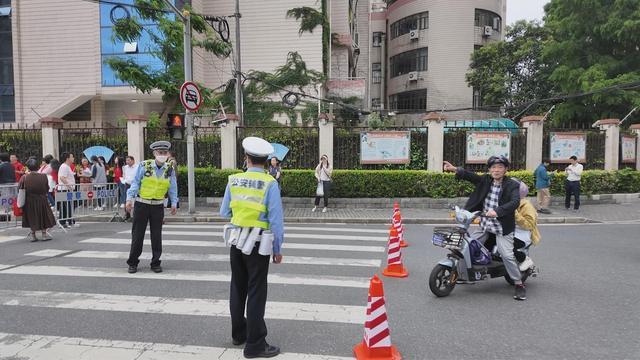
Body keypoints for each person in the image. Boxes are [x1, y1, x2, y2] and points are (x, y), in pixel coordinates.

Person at [220, 136, 284, 359]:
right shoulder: (270, 183)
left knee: (237, 288)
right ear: (267, 161)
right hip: (258, 245)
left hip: (237, 241)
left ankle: (239, 334)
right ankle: (255, 344)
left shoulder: (234, 180)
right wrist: (277, 249)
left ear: (246, 158)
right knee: (256, 291)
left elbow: (224, 212)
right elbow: (276, 221)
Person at [443, 156, 525, 301]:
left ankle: (518, 283)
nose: (496, 170)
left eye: (500, 167)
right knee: (465, 246)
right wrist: (455, 169)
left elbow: (514, 202)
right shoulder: (486, 180)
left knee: (506, 255)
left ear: (506, 169)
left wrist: (498, 211)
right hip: (486, 225)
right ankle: (463, 274)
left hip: (502, 227)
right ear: (489, 169)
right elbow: (471, 176)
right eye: (493, 167)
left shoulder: (512, 184)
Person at [125, 141, 178, 274]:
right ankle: (133, 262)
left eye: (164, 153)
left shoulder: (169, 168)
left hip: (158, 206)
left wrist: (174, 203)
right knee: (137, 235)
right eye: (159, 152)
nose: (162, 155)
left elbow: (173, 187)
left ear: (168, 154)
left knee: (156, 236)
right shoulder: (145, 165)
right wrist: (129, 199)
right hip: (142, 204)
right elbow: (136, 182)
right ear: (154, 153)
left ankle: (155, 263)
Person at [19, 159, 56, 242]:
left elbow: (20, 188)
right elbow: (47, 188)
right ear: (37, 166)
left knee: (32, 217)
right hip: (42, 199)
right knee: (43, 216)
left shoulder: (24, 177)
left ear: (28, 167)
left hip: (29, 200)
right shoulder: (43, 176)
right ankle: (44, 234)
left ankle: (33, 235)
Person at [513, 179, 540, 272]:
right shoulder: (508, 202)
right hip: (508, 231)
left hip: (522, 235)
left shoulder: (526, 206)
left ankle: (524, 259)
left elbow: (529, 225)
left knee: (505, 247)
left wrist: (515, 214)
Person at [57, 152, 78, 228]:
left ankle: (64, 222)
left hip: (66, 189)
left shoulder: (67, 166)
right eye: (72, 157)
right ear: (67, 158)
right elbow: (62, 178)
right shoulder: (64, 166)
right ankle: (68, 222)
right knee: (66, 206)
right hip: (65, 189)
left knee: (66, 207)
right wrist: (70, 187)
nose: (73, 158)